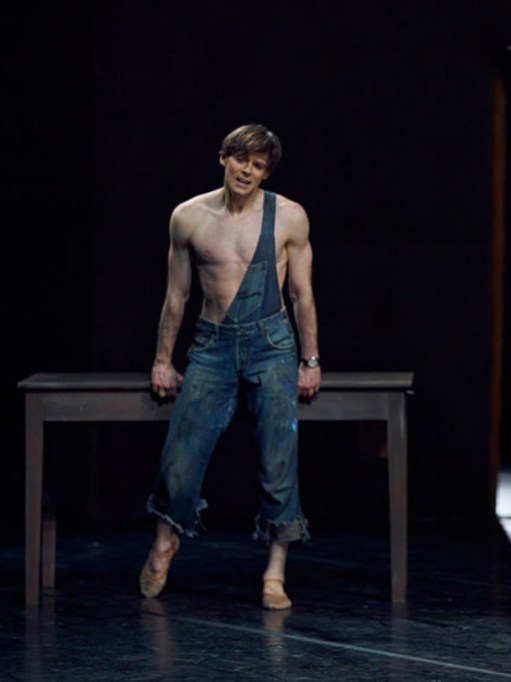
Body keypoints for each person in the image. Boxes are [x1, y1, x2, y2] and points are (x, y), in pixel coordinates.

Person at [138, 123, 322, 610]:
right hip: (213, 345)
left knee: (277, 460)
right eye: (242, 159)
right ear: (224, 158)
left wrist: (310, 360)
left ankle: (275, 573)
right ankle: (164, 542)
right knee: (181, 457)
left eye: (259, 165)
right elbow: (176, 296)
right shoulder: (189, 217)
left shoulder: (288, 216)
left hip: (272, 345)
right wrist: (163, 360)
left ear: (266, 173)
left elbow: (302, 294)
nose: (248, 171)